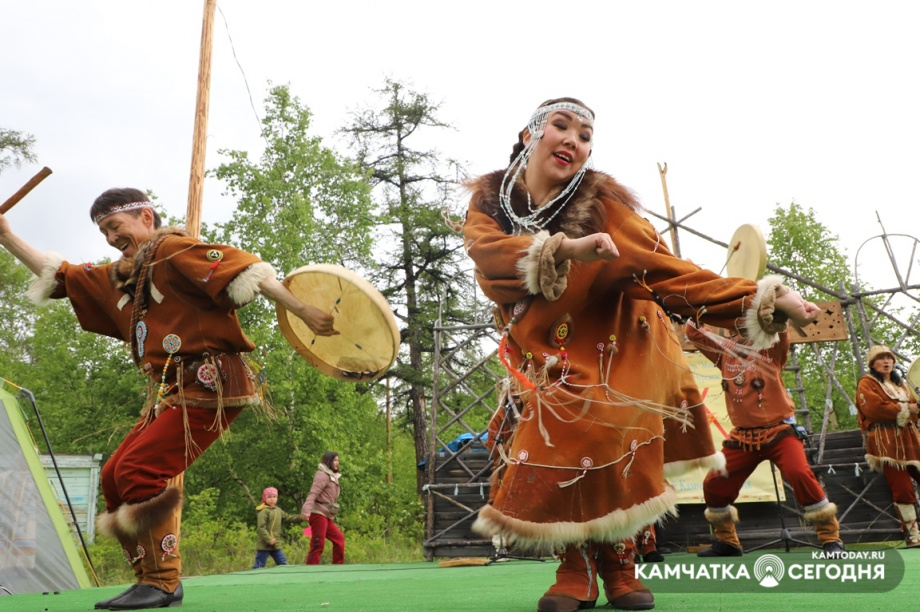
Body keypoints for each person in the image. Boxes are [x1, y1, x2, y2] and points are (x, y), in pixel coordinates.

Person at [462, 97, 820, 612]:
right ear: (528, 135)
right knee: (565, 439)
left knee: (612, 432)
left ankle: (619, 565)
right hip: (549, 345)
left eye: (585, 136)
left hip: (623, 338)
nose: (573, 140)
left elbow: (671, 273)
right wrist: (562, 249)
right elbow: (487, 260)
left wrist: (762, 297)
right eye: (561, 127)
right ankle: (578, 566)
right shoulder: (492, 203)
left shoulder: (604, 207)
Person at [0, 188, 337, 610]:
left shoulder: (174, 249)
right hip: (174, 391)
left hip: (213, 387)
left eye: (115, 226)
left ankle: (163, 581)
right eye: (103, 231)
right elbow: (65, 277)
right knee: (113, 476)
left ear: (145, 215)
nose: (110, 238)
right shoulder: (126, 275)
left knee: (140, 469)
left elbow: (245, 270)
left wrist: (301, 309)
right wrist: (6, 236)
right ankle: (150, 579)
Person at [685, 321, 845, 558]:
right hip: (743, 437)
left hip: (779, 431)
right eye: (732, 319)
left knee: (800, 474)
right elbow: (694, 332)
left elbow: (780, 327)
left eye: (741, 317)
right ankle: (728, 542)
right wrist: (695, 312)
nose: (737, 324)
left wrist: (771, 308)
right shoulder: (724, 351)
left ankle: (831, 539)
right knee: (714, 483)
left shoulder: (770, 346)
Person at [856, 345, 920, 548]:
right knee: (902, 489)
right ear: (872, 364)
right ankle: (913, 536)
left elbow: (914, 408)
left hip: (910, 438)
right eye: (881, 359)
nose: (886, 362)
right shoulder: (867, 383)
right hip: (886, 442)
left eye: (889, 358)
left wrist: (915, 408)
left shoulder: (901, 384)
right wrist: (908, 408)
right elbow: (874, 408)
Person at [302, 451, 345, 565]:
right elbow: (313, 493)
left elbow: (329, 498)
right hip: (317, 513)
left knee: (339, 539)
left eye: (338, 460)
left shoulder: (332, 476)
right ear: (329, 461)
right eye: (335, 460)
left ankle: (337, 567)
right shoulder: (322, 475)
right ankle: (310, 571)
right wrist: (306, 510)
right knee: (318, 544)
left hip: (326, 514)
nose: (337, 463)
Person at [253, 487, 306, 568]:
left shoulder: (278, 510)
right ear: (265, 498)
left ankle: (286, 579)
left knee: (283, 564)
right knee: (259, 565)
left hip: (276, 543)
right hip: (264, 545)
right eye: (269, 497)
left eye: (274, 497)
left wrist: (301, 518)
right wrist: (269, 539)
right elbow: (261, 528)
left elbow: (288, 518)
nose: (272, 499)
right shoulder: (263, 511)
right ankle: (253, 579)